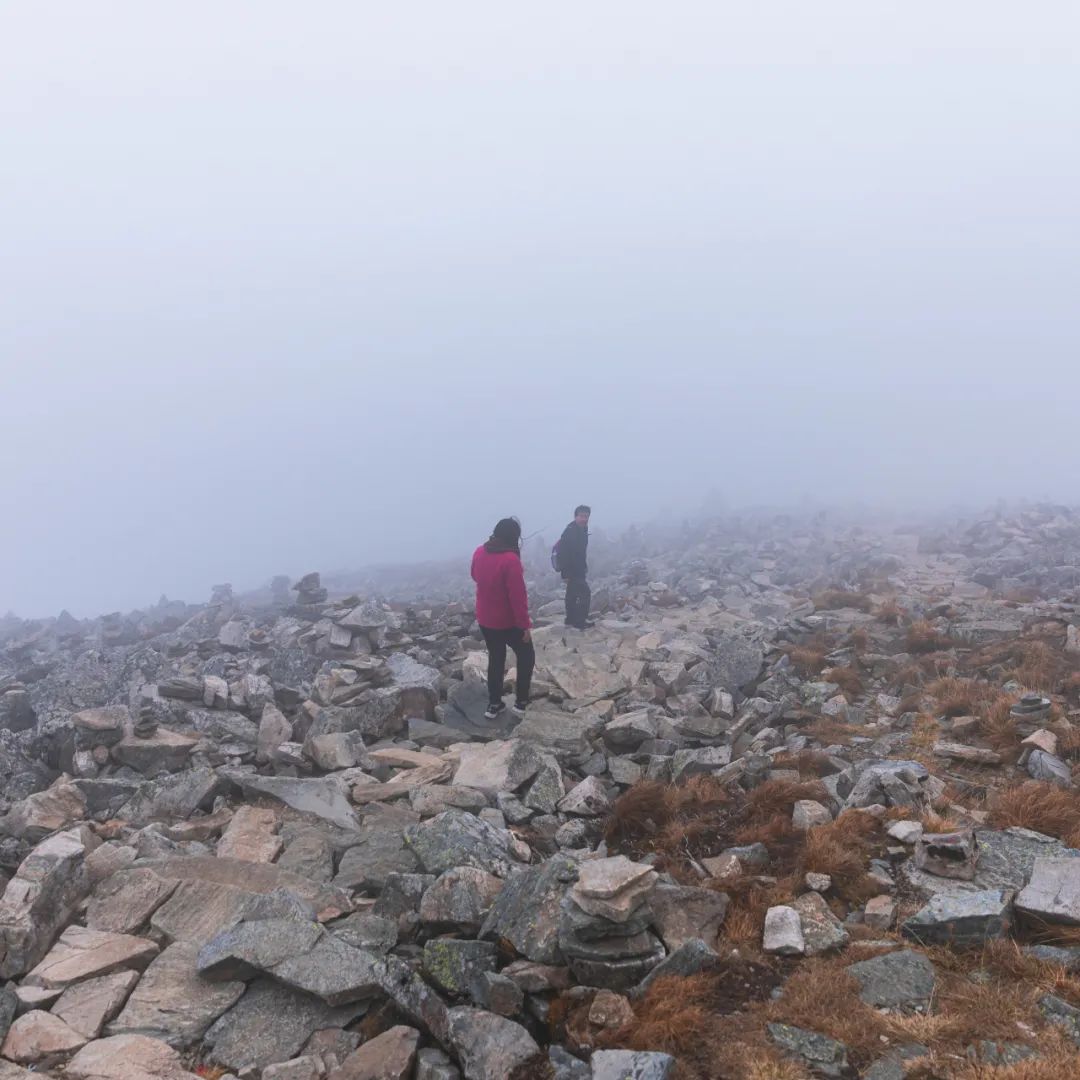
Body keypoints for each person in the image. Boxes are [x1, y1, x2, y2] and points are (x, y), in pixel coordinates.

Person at [470, 517, 534, 720]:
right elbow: (518, 597)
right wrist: (524, 626)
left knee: (496, 659)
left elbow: (474, 575)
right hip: (507, 621)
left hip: (486, 619)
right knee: (526, 655)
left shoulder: (480, 551)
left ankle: (494, 704)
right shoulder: (510, 560)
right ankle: (521, 703)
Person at [559, 504, 593, 629]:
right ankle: (580, 621)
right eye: (581, 516)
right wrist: (565, 573)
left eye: (586, 516)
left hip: (579, 568)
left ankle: (570, 619)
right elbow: (564, 553)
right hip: (572, 570)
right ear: (575, 516)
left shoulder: (582, 529)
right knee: (585, 593)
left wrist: (584, 566)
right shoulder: (570, 532)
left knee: (572, 594)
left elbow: (581, 552)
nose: (584, 519)